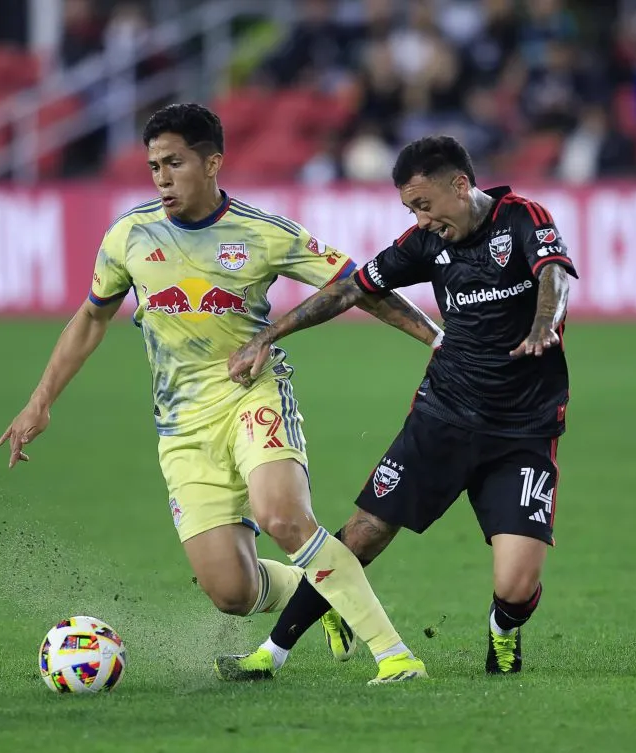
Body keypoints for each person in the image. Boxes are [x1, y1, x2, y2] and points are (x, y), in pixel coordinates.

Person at [0, 104, 441, 684]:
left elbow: (359, 286)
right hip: (182, 429)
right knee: (231, 592)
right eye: (154, 164)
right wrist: (41, 399)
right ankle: (325, 594)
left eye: (174, 162)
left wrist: (436, 337)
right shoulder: (130, 236)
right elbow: (90, 318)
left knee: (282, 516)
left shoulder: (263, 233)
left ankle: (396, 657)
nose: (161, 177)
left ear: (212, 163)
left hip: (251, 394)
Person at [218, 135, 576, 679]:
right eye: (411, 209)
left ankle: (503, 631)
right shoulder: (424, 243)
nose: (421, 219)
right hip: (444, 416)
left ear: (461, 185)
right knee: (362, 532)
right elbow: (350, 289)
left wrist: (543, 324)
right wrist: (269, 334)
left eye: (425, 205)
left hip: (523, 429)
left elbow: (553, 272)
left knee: (516, 585)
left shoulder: (522, 217)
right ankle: (272, 652)